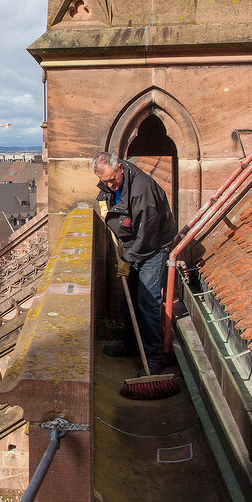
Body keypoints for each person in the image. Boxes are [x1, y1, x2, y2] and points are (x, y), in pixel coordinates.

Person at [93, 152, 176, 373]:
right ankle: (130, 345)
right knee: (127, 300)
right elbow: (112, 195)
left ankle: (154, 359)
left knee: (147, 302)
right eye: (105, 182)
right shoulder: (113, 181)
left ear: (120, 167)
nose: (110, 184)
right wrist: (105, 202)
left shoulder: (142, 191)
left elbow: (147, 235)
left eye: (113, 179)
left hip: (153, 248)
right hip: (134, 245)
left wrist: (127, 260)